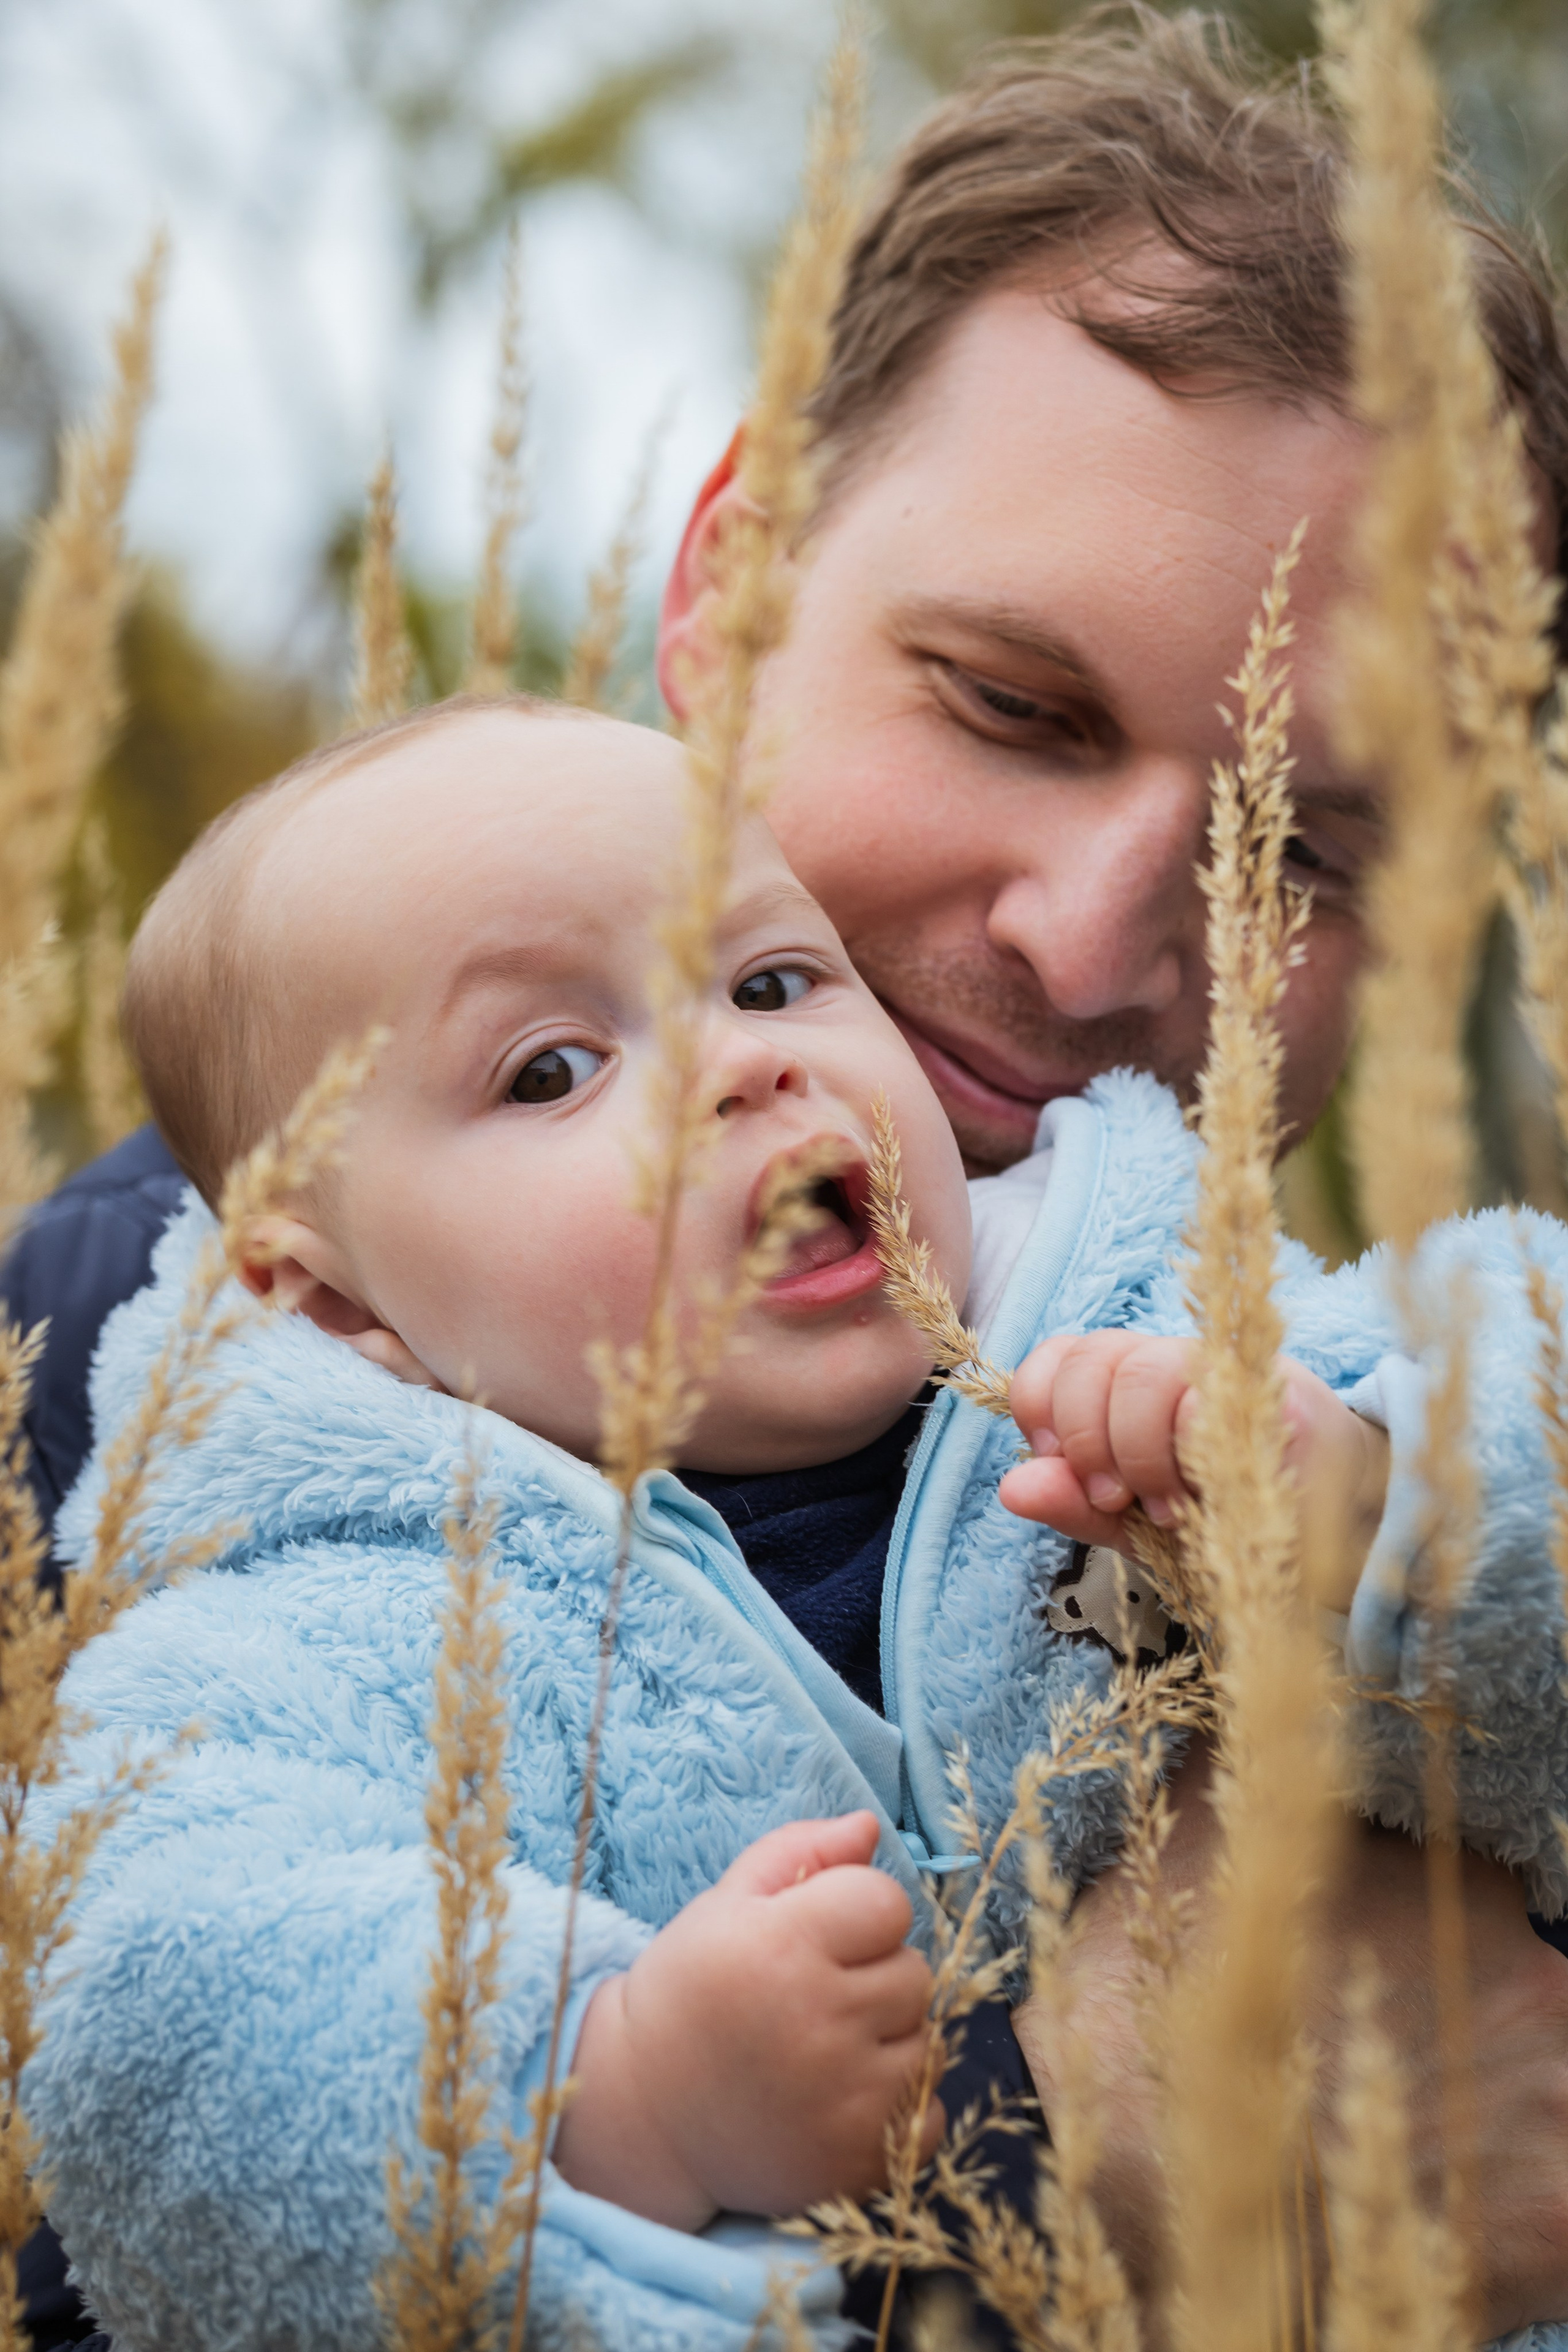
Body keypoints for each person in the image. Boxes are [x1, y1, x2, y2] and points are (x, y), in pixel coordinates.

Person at [11, 6, 1568, 2337]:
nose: (1092, 941)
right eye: (1012, 707)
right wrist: (1043, 2139)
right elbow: (136, 2167)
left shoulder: (1218, 1310)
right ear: (730, 583)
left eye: (1305, 854)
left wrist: (1394, 1523)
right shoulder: (162, 1398)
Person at [28, 693, 1568, 2351]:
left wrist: (1373, 1498)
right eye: (553, 1070)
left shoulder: (1154, 1296)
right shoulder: (320, 1621)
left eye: (773, 982)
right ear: (328, 1301)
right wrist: (621, 2089)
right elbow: (164, 2017)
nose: (745, 1064)